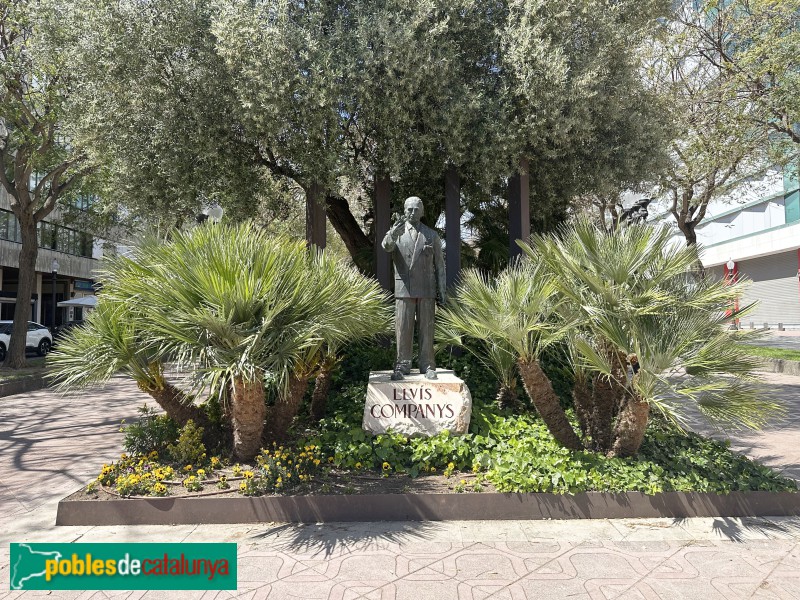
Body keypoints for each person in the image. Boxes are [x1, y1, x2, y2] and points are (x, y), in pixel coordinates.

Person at [381, 196, 446, 380]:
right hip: (404, 288)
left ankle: (427, 365)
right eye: (409, 209)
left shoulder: (432, 235)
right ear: (404, 210)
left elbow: (440, 266)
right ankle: (402, 365)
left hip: (427, 289)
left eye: (416, 209)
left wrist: (441, 291)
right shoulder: (396, 232)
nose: (412, 212)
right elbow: (386, 246)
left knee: (427, 328)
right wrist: (393, 233)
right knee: (403, 328)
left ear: (422, 212)